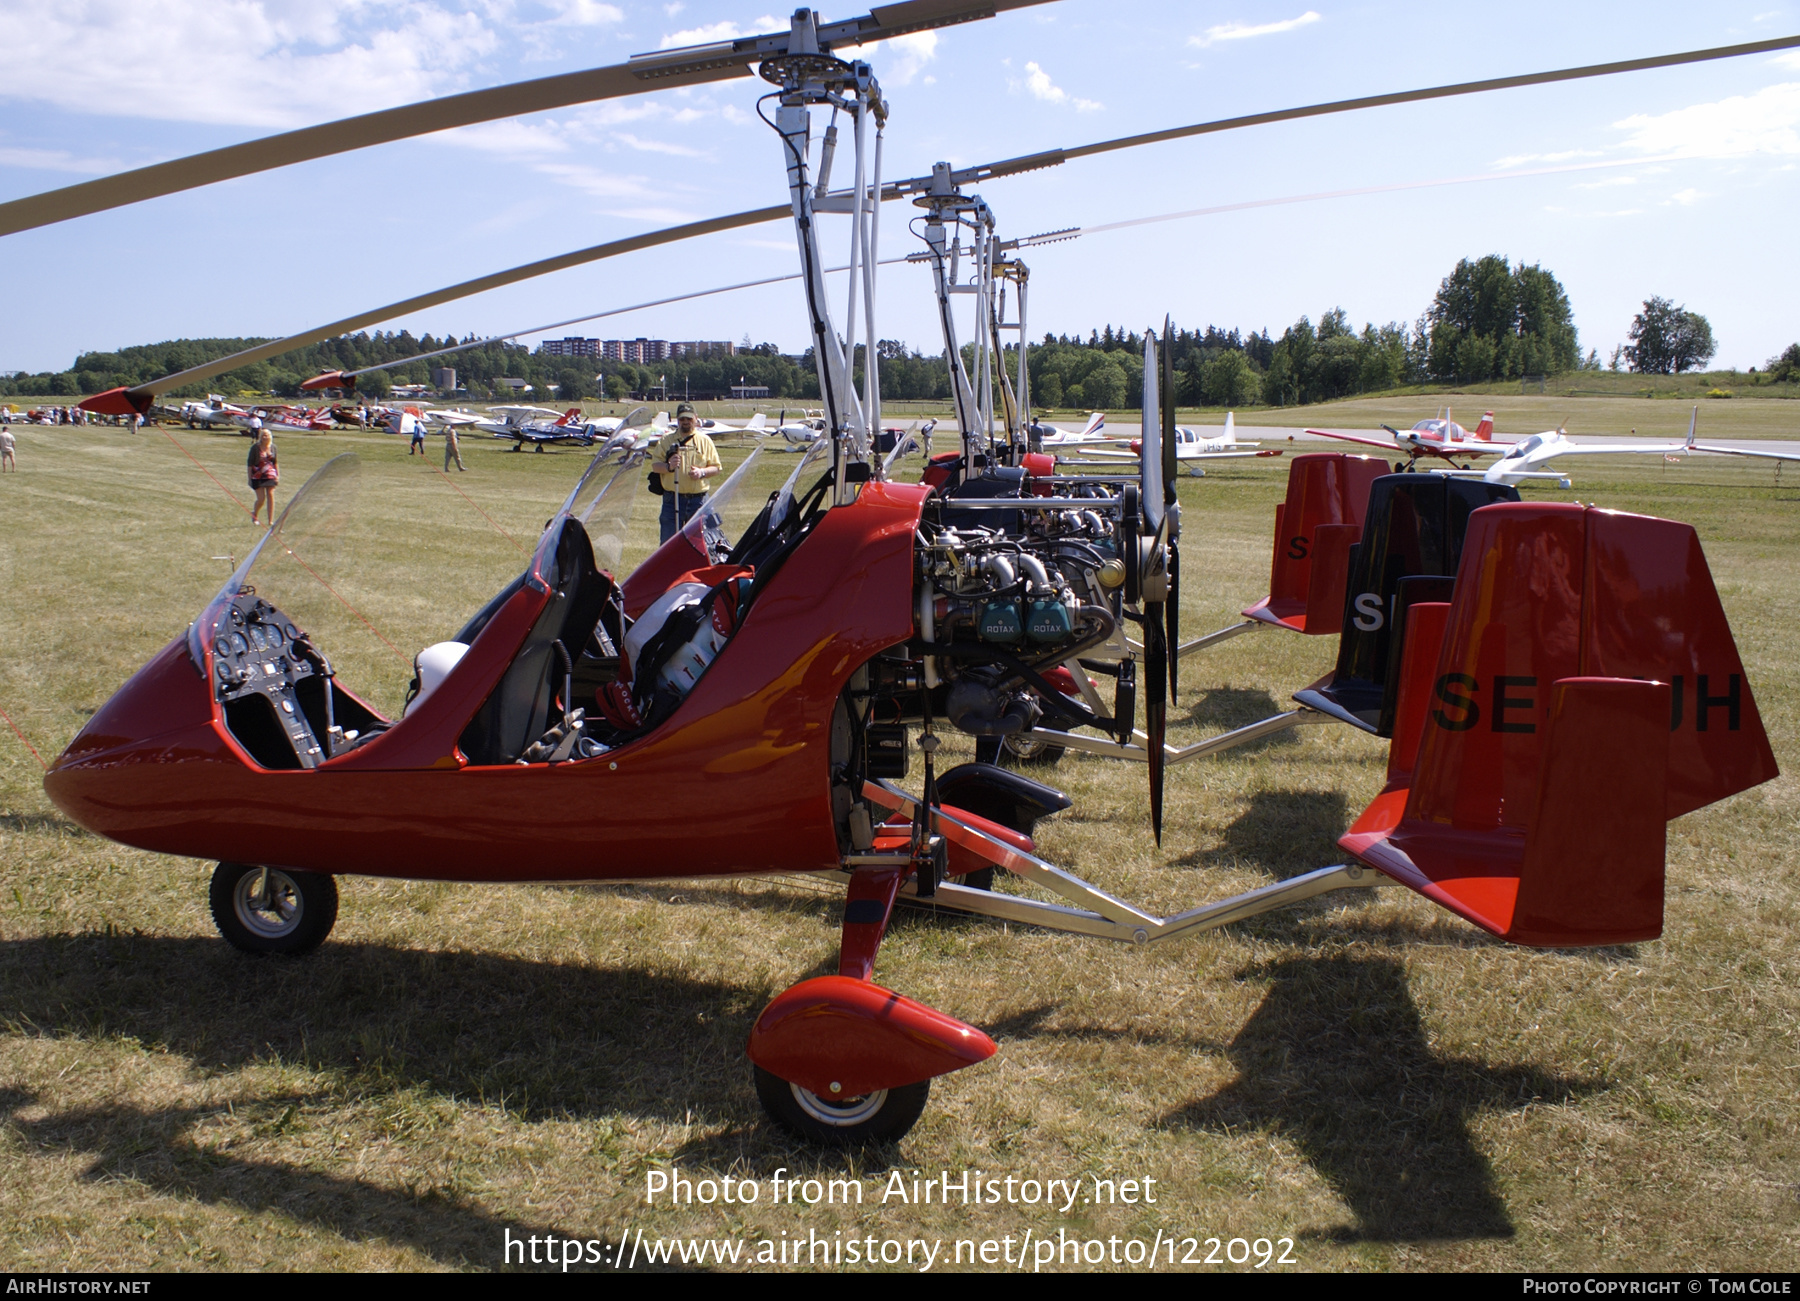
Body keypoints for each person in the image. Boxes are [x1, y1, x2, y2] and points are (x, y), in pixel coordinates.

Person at [653, 403, 721, 543]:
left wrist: (702, 472)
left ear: (696, 419)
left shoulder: (705, 441)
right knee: (668, 544)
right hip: (672, 500)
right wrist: (668, 466)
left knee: (702, 543)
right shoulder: (666, 440)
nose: (686, 422)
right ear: (677, 420)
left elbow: (716, 468)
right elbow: (655, 466)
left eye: (689, 419)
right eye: (682, 419)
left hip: (699, 501)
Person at [248, 428, 279, 526]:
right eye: (263, 435)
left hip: (270, 474)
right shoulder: (255, 448)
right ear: (260, 437)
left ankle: (270, 521)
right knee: (261, 499)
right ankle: (255, 514)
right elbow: (250, 464)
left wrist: (277, 475)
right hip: (257, 475)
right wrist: (249, 478)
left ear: (270, 436)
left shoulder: (273, 447)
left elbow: (275, 462)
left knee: (271, 495)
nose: (265, 437)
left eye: (267, 435)